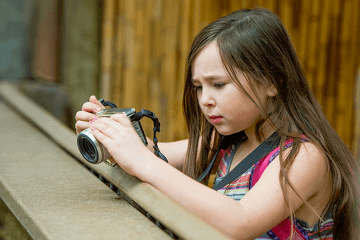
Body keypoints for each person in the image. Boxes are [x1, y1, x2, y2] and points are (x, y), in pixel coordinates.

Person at [75, 8, 360, 240]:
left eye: (219, 84)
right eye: (199, 87)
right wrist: (107, 134)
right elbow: (149, 153)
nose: (205, 99)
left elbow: (241, 223)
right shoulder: (227, 142)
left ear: (272, 81)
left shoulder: (303, 156)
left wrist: (140, 159)